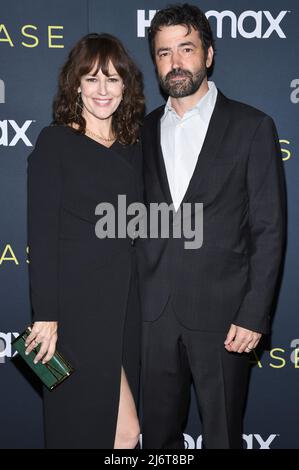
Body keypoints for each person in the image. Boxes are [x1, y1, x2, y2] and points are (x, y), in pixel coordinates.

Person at [139, 4, 286, 449]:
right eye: (164, 53)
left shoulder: (252, 126)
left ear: (209, 54)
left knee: (223, 437)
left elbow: (268, 228)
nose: (175, 62)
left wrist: (254, 312)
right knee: (157, 441)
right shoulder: (140, 132)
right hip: (153, 317)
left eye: (186, 48)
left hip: (225, 320)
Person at [25, 33, 144, 449]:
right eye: (91, 79)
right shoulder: (55, 143)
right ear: (75, 84)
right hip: (76, 311)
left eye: (112, 79)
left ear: (125, 85)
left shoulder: (135, 146)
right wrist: (46, 315)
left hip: (127, 306)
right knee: (91, 429)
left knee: (125, 432)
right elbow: (41, 234)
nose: (102, 91)